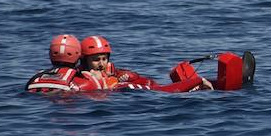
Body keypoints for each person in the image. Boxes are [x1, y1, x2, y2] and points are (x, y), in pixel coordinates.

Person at [70, 34, 213, 93]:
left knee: (153, 85)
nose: (101, 63)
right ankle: (196, 82)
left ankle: (194, 84)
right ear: (84, 60)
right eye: (96, 60)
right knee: (163, 91)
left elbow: (136, 77)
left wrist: (126, 76)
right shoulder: (80, 75)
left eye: (104, 59)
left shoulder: (111, 70)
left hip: (143, 89)